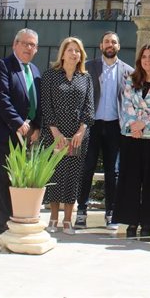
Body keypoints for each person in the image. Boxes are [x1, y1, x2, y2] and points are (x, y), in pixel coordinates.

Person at [0, 28, 42, 234]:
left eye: (32, 45)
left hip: (25, 136)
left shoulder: (35, 71)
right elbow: (1, 98)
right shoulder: (3, 66)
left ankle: (12, 219)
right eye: (25, 43)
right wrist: (18, 123)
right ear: (15, 45)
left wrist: (36, 126)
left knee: (15, 180)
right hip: (0, 133)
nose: (28, 48)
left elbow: (37, 103)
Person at [75, 31, 134, 230]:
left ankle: (111, 213)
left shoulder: (128, 71)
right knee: (87, 168)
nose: (110, 44)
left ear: (118, 46)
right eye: (107, 41)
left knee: (113, 172)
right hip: (91, 125)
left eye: (114, 42)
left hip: (115, 126)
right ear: (101, 46)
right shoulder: (88, 67)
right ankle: (81, 211)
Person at [40, 37, 94, 235]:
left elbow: (89, 108)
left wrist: (81, 130)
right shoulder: (50, 76)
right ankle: (53, 219)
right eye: (70, 50)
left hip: (78, 136)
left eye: (77, 51)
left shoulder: (85, 78)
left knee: (72, 176)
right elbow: (46, 105)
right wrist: (55, 132)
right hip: (54, 133)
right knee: (54, 174)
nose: (74, 54)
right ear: (62, 53)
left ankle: (67, 221)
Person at [114, 44, 150, 238]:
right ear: (139, 60)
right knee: (130, 180)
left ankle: (147, 223)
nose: (147, 60)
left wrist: (143, 124)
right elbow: (126, 104)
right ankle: (131, 222)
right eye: (144, 57)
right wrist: (133, 126)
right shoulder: (131, 79)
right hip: (131, 136)